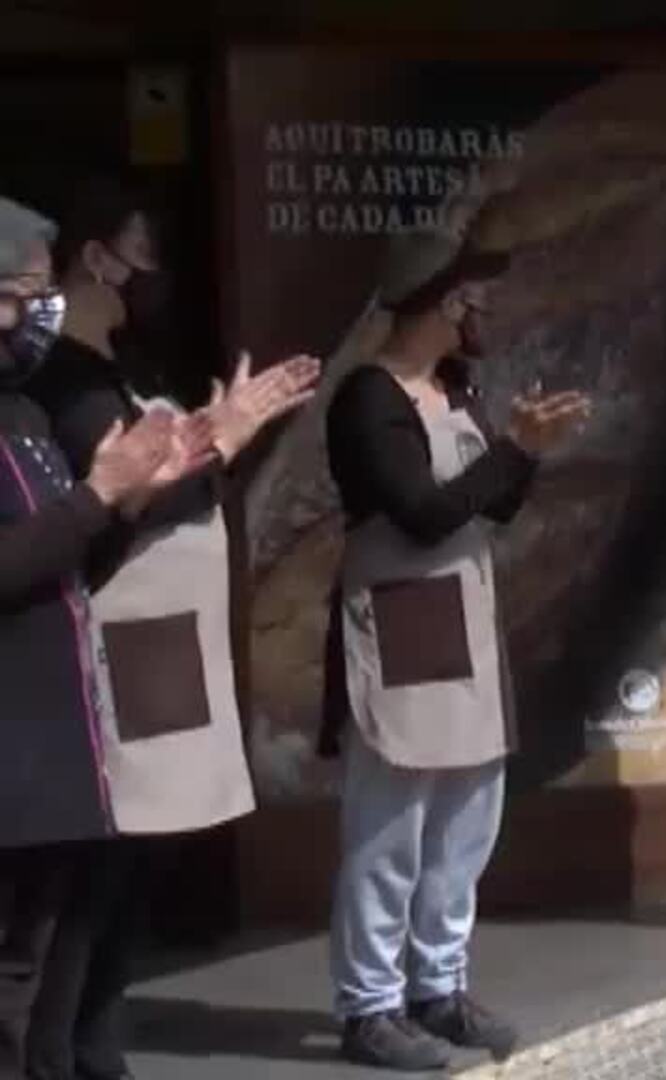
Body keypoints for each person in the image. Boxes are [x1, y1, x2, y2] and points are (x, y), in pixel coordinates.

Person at [17, 178, 319, 1080]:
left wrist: (221, 439)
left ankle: (93, 1036)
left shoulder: (123, 363)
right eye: (146, 255)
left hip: (168, 644)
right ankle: (61, 1048)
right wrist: (216, 441)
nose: (159, 276)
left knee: (136, 866)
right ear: (98, 258)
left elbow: (181, 476)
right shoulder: (62, 378)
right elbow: (129, 498)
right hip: (112, 648)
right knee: (93, 872)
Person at [323, 233, 590, 1072]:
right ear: (444, 304)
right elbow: (424, 513)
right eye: (477, 297)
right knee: (389, 824)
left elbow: (494, 510)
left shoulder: (454, 388)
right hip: (399, 621)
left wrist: (527, 454)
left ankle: (437, 985)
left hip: (465, 621)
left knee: (467, 816)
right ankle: (370, 1005)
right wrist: (509, 451)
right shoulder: (370, 399)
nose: (487, 314)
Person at [0, 196, 202, 1080]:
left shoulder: (25, 416)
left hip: (57, 745)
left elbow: (76, 560)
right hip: (11, 750)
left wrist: (133, 494)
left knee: (42, 964)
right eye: (21, 292)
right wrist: (99, 493)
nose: (38, 311)